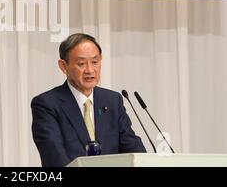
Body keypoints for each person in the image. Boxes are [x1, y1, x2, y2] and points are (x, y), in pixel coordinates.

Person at [31, 33, 146, 167]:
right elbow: (54, 157)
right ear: (63, 66)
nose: (90, 70)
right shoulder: (47, 104)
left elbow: (134, 149)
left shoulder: (112, 101)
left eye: (95, 62)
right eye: (81, 64)